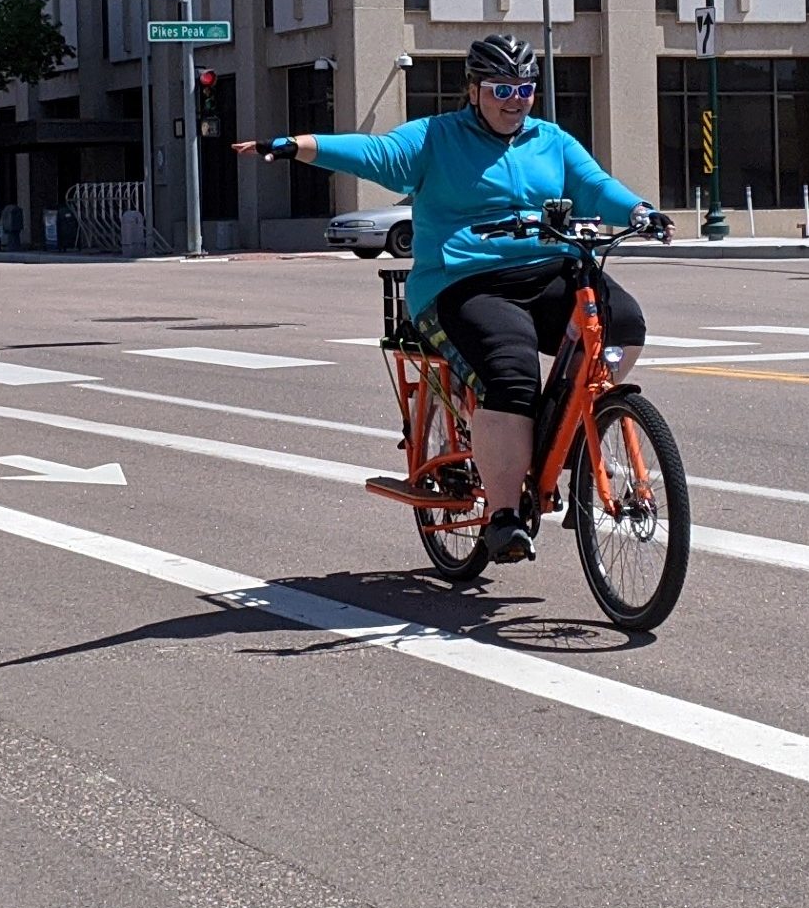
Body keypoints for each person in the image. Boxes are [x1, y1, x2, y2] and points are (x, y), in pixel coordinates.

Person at [236, 33, 670, 564]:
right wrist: (296, 145)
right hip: (464, 282)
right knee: (510, 373)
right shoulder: (436, 138)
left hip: (548, 268)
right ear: (473, 90)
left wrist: (640, 212)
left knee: (623, 321)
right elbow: (376, 153)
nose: (515, 100)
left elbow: (597, 187)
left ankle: (573, 423)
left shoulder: (550, 140)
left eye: (525, 88)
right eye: (501, 89)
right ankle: (506, 514)